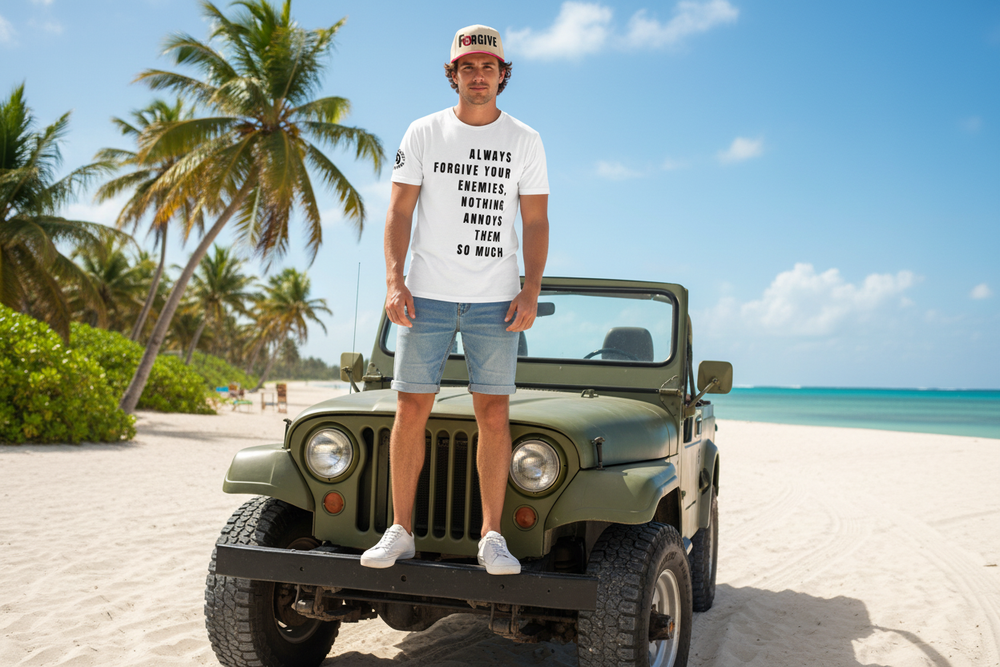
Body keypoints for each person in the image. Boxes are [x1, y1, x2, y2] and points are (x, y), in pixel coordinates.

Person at [360, 24, 549, 575]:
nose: (478, 76)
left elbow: (535, 221)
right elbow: (398, 212)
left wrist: (531, 288)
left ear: (502, 75)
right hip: (428, 296)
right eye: (468, 67)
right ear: (455, 74)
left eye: (488, 67)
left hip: (496, 300)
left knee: (493, 412)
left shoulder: (525, 140)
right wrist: (395, 281)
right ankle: (400, 530)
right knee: (410, 406)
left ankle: (493, 536)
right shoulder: (422, 132)